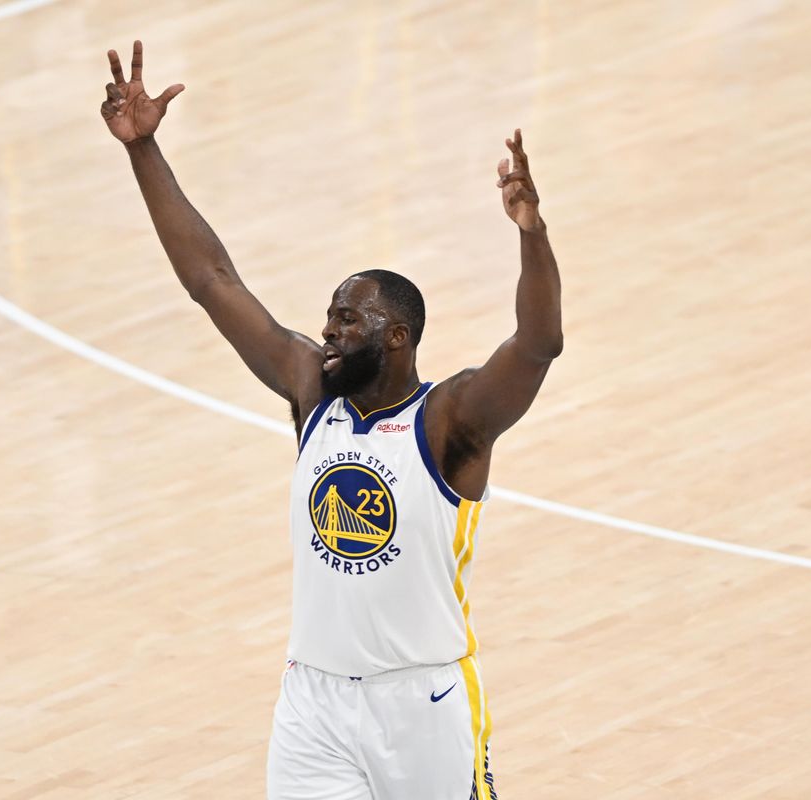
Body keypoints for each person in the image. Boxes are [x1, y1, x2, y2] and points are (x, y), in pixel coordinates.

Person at [101, 40, 561, 800]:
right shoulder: (313, 393)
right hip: (313, 703)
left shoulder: (451, 421)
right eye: (328, 317)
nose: (329, 331)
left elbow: (539, 343)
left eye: (348, 319)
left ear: (397, 337)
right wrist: (144, 149)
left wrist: (531, 235)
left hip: (423, 704)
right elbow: (211, 279)